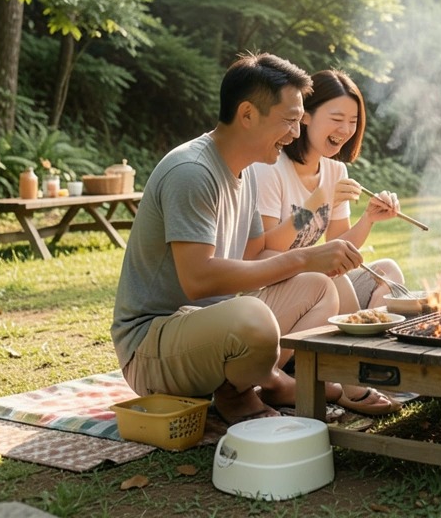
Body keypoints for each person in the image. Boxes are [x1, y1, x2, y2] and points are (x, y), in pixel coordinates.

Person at [111, 54, 364, 424]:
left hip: (211, 331)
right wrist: (302, 258)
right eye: (290, 121)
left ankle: (254, 384)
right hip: (152, 349)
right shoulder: (193, 171)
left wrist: (314, 262)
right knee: (253, 315)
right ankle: (252, 386)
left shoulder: (243, 172)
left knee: (318, 286)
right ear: (247, 114)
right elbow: (198, 280)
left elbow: (254, 258)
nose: (296, 134)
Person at [250, 69, 404, 415]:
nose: (345, 130)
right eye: (336, 118)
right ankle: (348, 381)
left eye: (352, 121)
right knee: (328, 282)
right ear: (305, 115)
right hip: (271, 291)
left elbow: (340, 248)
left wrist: (368, 219)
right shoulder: (271, 168)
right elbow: (261, 251)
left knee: (387, 272)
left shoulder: (335, 171)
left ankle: (361, 359)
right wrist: (319, 198)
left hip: (317, 287)